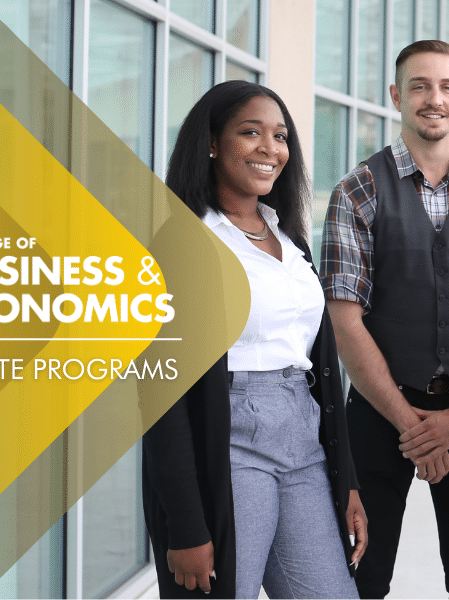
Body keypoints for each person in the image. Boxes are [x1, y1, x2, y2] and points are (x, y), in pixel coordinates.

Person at [141, 81, 367, 599]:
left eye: (280, 136)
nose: (271, 148)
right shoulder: (183, 242)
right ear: (213, 144)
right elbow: (159, 396)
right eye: (251, 132)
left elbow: (321, 372)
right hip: (229, 441)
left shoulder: (291, 243)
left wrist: (347, 478)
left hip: (303, 443)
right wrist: (187, 527)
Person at [319, 40, 449, 599]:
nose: (433, 99)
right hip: (379, 411)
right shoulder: (356, 192)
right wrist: (415, 429)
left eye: (445, 87)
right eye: (418, 86)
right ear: (396, 96)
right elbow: (345, 321)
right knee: (361, 572)